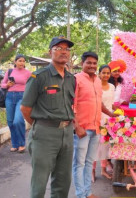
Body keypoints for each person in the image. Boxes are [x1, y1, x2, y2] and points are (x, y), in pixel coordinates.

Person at [20, 36, 75, 198]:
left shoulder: (71, 78)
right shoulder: (39, 77)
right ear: (50, 52)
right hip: (45, 134)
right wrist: (42, 125)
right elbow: (25, 108)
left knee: (63, 182)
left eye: (66, 49)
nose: (63, 52)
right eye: (58, 48)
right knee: (39, 183)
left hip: (67, 134)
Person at [72, 52, 115, 198]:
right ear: (82, 63)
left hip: (96, 128)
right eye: (88, 63)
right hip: (82, 129)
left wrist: (110, 113)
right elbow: (71, 104)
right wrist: (76, 126)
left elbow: (99, 102)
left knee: (89, 162)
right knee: (79, 164)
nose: (92, 65)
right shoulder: (76, 79)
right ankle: (80, 194)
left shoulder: (97, 80)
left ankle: (88, 192)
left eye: (94, 63)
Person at [1, 54, 31, 153]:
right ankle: (15, 144)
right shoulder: (10, 71)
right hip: (9, 97)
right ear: (15, 62)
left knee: (17, 121)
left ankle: (22, 143)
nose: (22, 63)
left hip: (21, 97)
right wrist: (7, 85)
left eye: (23, 61)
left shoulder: (28, 73)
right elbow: (2, 84)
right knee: (10, 122)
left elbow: (32, 84)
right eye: (20, 61)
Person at [92, 65, 115, 182]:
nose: (106, 75)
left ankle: (103, 170)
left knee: (105, 146)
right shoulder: (95, 85)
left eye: (108, 73)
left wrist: (118, 112)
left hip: (109, 121)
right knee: (95, 146)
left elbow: (112, 103)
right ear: (99, 73)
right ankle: (92, 171)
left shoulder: (112, 87)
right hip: (97, 119)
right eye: (103, 73)